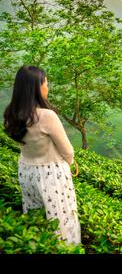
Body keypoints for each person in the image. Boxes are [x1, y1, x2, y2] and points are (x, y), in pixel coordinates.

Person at [3, 65, 81, 247]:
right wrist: (68, 164)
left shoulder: (12, 114)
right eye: (45, 83)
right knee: (61, 220)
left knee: (35, 216)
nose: (48, 86)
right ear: (36, 88)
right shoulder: (46, 116)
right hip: (51, 173)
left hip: (26, 170)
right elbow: (68, 151)